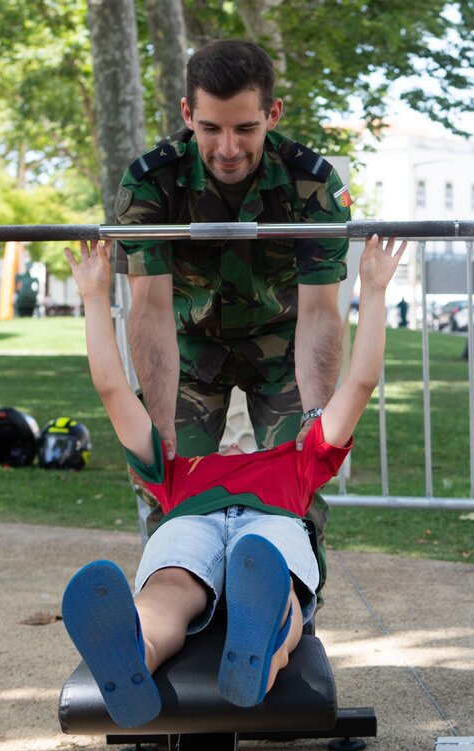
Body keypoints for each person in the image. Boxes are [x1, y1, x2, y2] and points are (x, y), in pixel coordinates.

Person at [61, 233, 406, 729]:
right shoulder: (173, 465)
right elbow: (114, 391)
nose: (231, 439)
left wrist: (373, 290)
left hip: (260, 530)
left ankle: (259, 650)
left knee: (263, 574)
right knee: (169, 589)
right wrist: (94, 299)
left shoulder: (299, 457)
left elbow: (360, 383)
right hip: (195, 522)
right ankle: (134, 652)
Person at [114, 39, 353, 568]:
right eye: (210, 128)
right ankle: (174, 612)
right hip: (189, 348)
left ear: (272, 114)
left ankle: (290, 614)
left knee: (298, 495)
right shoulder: (152, 181)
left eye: (245, 128)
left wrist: (317, 416)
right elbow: (150, 309)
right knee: (171, 490)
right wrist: (157, 424)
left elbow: (319, 312)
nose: (227, 148)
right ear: (187, 114)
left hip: (283, 349)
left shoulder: (312, 185)